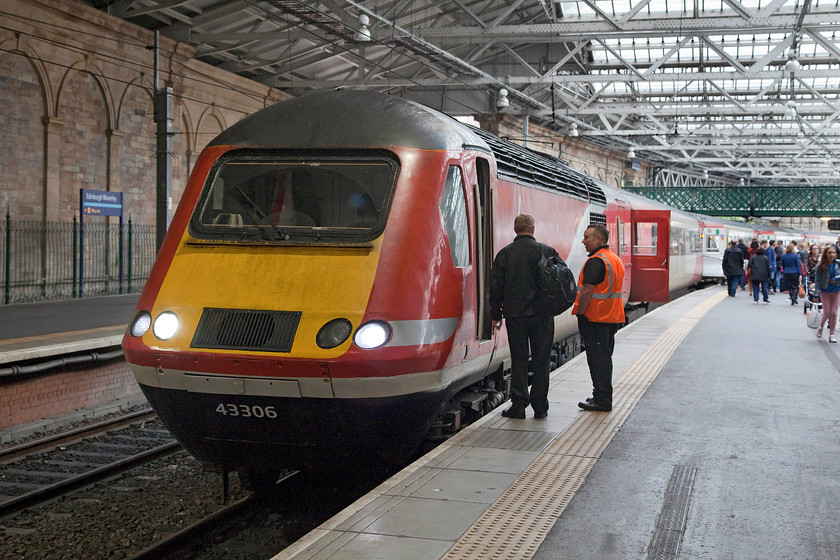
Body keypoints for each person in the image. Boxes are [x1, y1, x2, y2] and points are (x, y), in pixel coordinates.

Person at [489, 213, 558, 419]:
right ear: (533, 229)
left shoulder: (505, 254)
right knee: (541, 360)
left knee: (518, 359)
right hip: (543, 316)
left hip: (516, 316)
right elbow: (560, 281)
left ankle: (518, 405)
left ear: (515, 229)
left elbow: (495, 288)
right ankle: (540, 406)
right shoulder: (546, 251)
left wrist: (496, 314)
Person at [573, 223, 625, 412]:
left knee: (598, 361)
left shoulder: (596, 261)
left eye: (587, 237)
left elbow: (587, 290)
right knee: (604, 357)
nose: (583, 241)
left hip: (595, 318)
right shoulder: (614, 259)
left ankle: (602, 399)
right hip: (610, 317)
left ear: (599, 239)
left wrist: (580, 311)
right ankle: (600, 395)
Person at [815, 245, 840, 343]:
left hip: (837, 290)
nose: (832, 254)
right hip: (825, 291)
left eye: (833, 253)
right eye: (829, 253)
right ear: (825, 254)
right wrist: (816, 294)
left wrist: (837, 278)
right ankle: (821, 327)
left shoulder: (838, 264)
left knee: (834, 312)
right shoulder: (820, 266)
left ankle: (831, 334)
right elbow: (817, 280)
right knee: (827, 312)